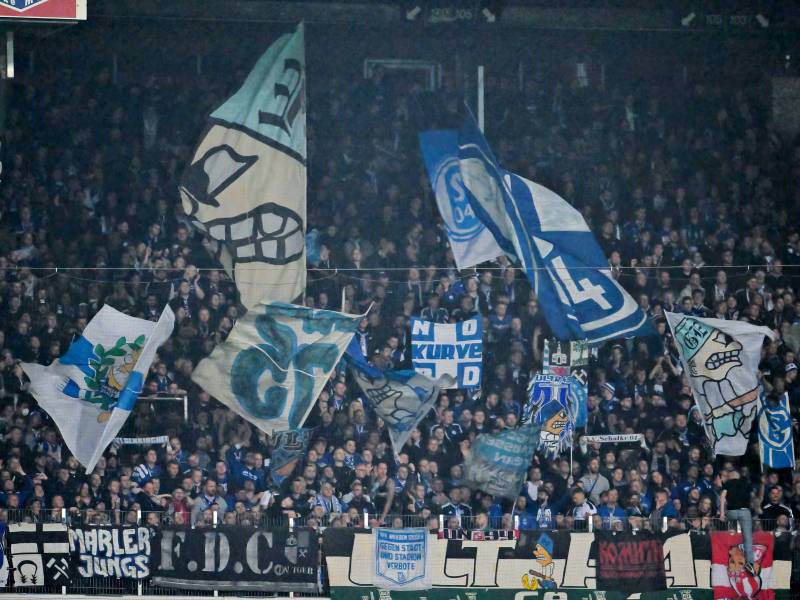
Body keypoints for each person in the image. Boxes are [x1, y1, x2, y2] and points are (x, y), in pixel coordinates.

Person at [720, 469, 756, 574]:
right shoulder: (746, 484)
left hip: (731, 512)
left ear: (731, 475)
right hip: (745, 512)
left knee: (725, 529)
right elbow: (753, 498)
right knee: (748, 539)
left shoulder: (728, 483)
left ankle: (724, 557)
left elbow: (722, 498)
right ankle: (750, 563)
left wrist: (722, 514)